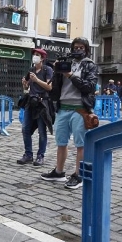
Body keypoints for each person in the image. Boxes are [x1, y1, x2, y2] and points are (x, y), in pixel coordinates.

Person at [40, 37, 98, 189]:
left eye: (81, 47)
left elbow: (89, 87)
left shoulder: (90, 65)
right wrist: (57, 71)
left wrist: (70, 75)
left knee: (80, 143)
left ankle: (79, 175)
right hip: (63, 107)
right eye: (75, 47)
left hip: (80, 108)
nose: (78, 49)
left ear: (86, 49)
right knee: (61, 141)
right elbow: (54, 87)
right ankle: (59, 172)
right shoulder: (66, 63)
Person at [18, 49, 54, 167]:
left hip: (42, 104)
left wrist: (37, 80)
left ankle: (40, 156)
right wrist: (25, 83)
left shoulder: (47, 70)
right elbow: (27, 87)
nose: (35, 57)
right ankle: (28, 154)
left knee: (42, 131)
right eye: (34, 55)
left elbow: (49, 87)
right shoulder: (31, 70)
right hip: (31, 102)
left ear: (42, 58)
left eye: (37, 55)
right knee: (25, 129)